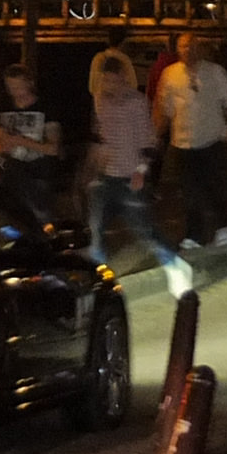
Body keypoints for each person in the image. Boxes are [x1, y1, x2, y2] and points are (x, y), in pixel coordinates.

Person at [85, 49, 188, 297]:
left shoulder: (137, 102)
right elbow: (99, 134)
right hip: (104, 178)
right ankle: (100, 283)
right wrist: (93, 164)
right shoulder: (99, 99)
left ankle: (177, 269)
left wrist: (141, 170)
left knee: (145, 232)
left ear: (123, 78)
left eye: (113, 80)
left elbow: (150, 140)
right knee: (94, 232)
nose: (109, 86)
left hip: (130, 177)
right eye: (105, 81)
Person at [157, 35, 227, 247]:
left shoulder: (215, 72)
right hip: (182, 143)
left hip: (211, 140)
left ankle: (225, 227)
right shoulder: (170, 74)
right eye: (183, 46)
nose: (187, 50)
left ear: (199, 48)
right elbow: (166, 110)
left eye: (191, 46)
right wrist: (155, 135)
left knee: (215, 186)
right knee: (189, 191)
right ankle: (194, 234)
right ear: (177, 49)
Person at [0, 63, 65, 223]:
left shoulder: (45, 108)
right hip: (11, 173)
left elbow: (53, 148)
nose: (15, 92)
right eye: (11, 87)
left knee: (40, 218)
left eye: (19, 87)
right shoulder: (4, 107)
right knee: (9, 219)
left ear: (30, 83)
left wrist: (22, 141)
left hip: (37, 173)